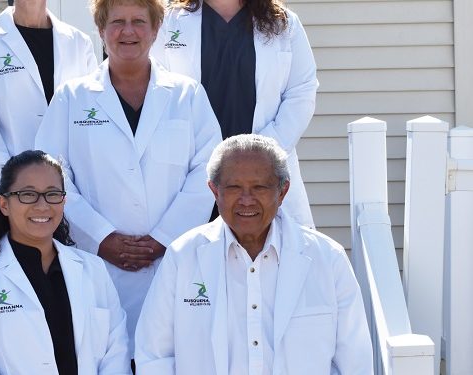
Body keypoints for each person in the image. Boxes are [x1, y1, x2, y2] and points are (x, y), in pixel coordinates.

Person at [34, 0, 222, 355]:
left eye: (139, 21)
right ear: (101, 32)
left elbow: (208, 171)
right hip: (96, 263)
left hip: (171, 260)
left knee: (170, 355)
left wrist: (164, 238)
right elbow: (51, 179)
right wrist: (102, 239)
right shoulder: (72, 98)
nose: (128, 31)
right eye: (116, 22)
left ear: (155, 30)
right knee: (105, 355)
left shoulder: (188, 95)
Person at [135, 134, 373, 374]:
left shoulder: (328, 258)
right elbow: (154, 354)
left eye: (259, 187)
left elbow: (355, 358)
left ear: (282, 191)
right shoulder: (182, 256)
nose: (246, 200)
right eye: (234, 187)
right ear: (214, 191)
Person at [0, 150, 131, 375]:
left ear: (63, 200)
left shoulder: (94, 270)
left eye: (52, 194)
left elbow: (116, 353)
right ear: (4, 204)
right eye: (28, 194)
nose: (42, 205)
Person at [150, 0, 318, 228]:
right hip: (192, 172)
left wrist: (261, 154)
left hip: (262, 172)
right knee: (193, 255)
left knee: (268, 255)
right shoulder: (168, 23)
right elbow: (155, 91)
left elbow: (301, 93)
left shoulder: (285, 24)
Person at [0, 0, 98, 234]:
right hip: (8, 198)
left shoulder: (78, 43)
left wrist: (63, 193)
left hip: (70, 196)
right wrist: (17, 191)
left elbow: (89, 123)